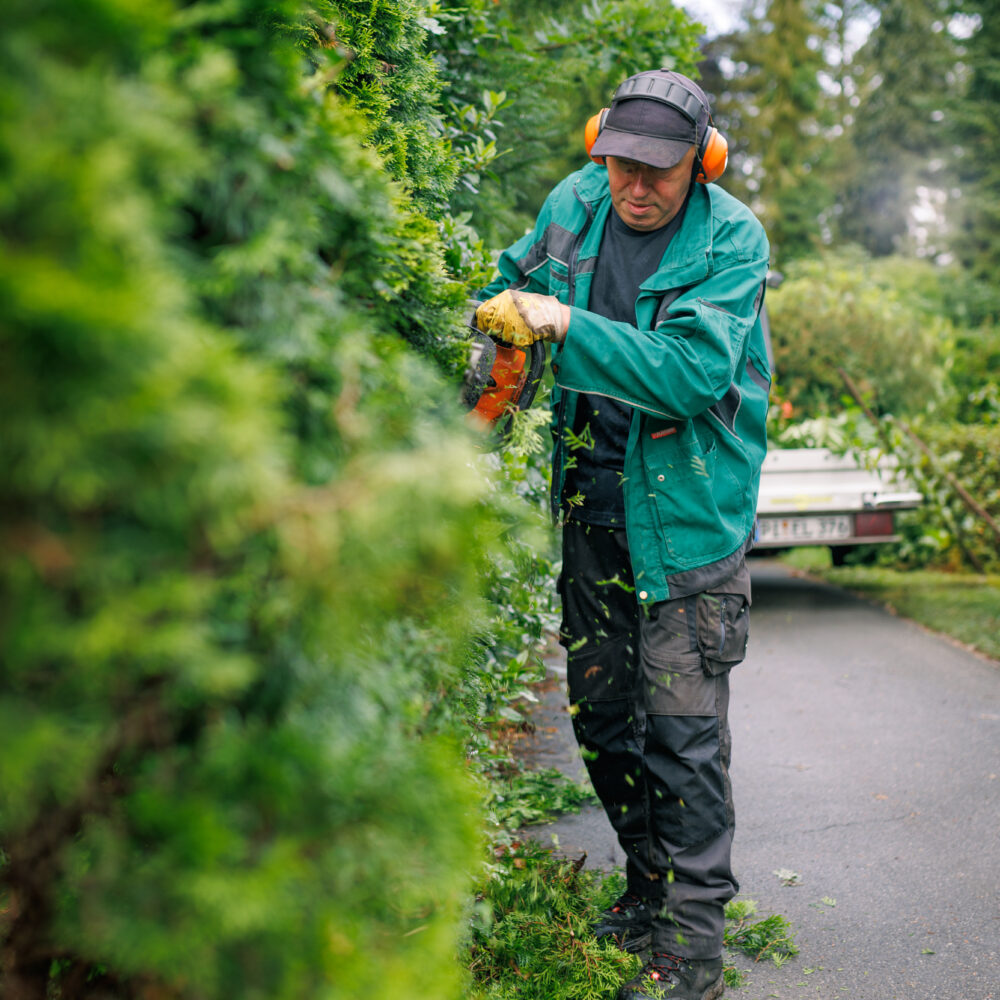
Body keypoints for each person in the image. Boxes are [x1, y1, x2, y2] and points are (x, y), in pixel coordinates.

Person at [475, 70, 770, 1000]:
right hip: (591, 506)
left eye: (659, 170)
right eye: (619, 166)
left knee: (682, 738)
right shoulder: (575, 204)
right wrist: (494, 334)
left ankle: (694, 954)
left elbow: (687, 375)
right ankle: (647, 893)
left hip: (683, 521)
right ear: (599, 150)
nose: (635, 187)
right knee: (604, 722)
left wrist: (566, 321)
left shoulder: (732, 240)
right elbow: (512, 283)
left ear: (702, 164)